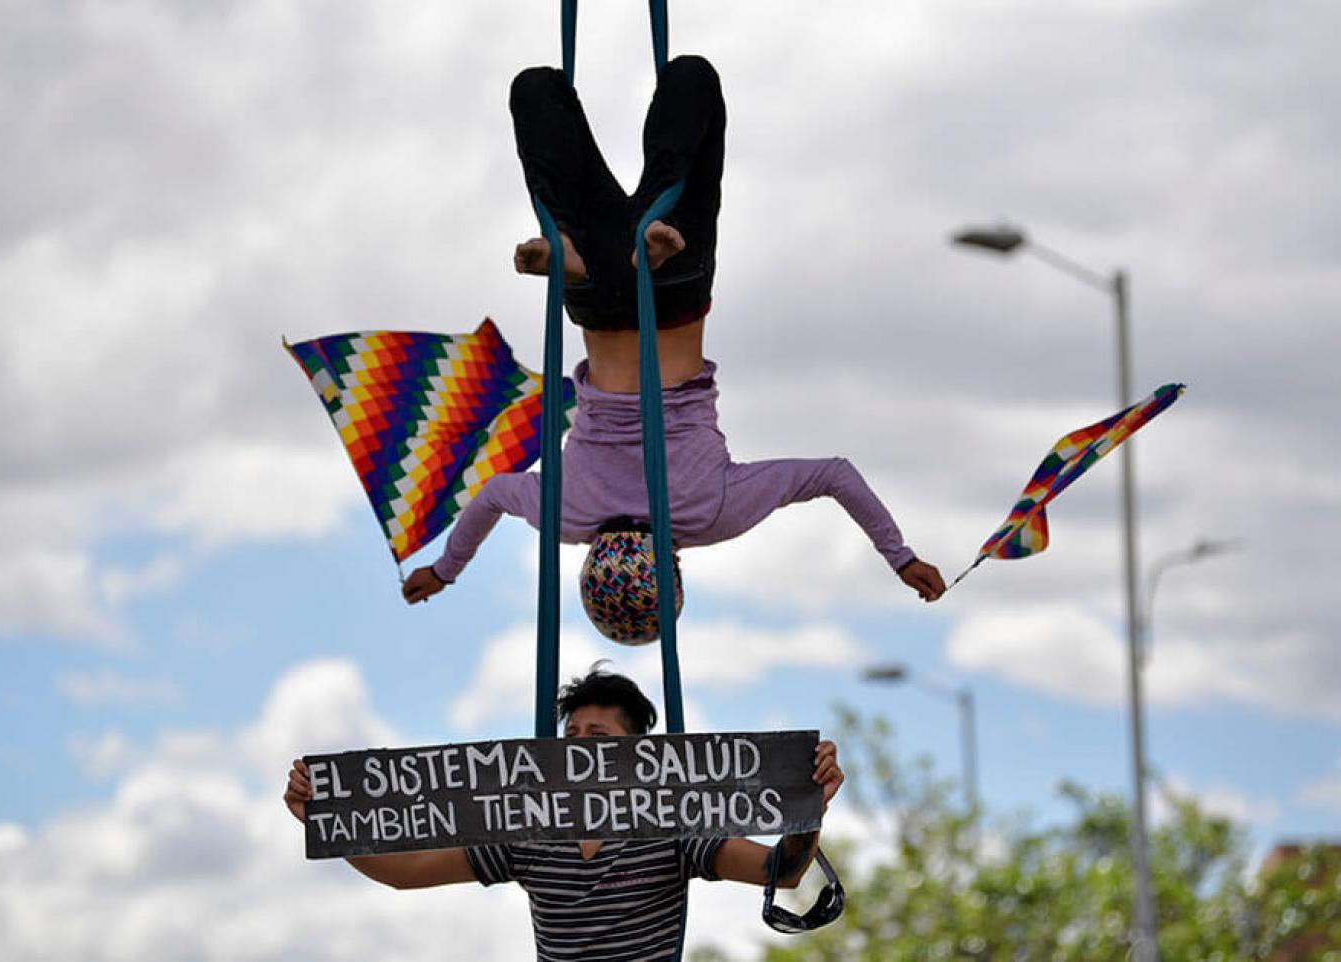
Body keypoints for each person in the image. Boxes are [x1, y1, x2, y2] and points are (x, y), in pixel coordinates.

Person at [401, 56, 947, 612]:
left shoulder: (712, 515)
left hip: (675, 294)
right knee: (535, 89)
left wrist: (901, 557)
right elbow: (492, 495)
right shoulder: (565, 517)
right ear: (592, 563)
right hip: (595, 298)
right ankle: (574, 250)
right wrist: (445, 570)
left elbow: (834, 476)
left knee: (694, 81)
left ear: (675, 568)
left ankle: (654, 238)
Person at [284, 666, 846, 962]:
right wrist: (326, 820)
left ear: (635, 753)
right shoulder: (530, 830)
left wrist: (806, 807)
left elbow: (783, 870)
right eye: (570, 734)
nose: (578, 746)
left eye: (596, 736)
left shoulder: (673, 825)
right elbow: (407, 872)